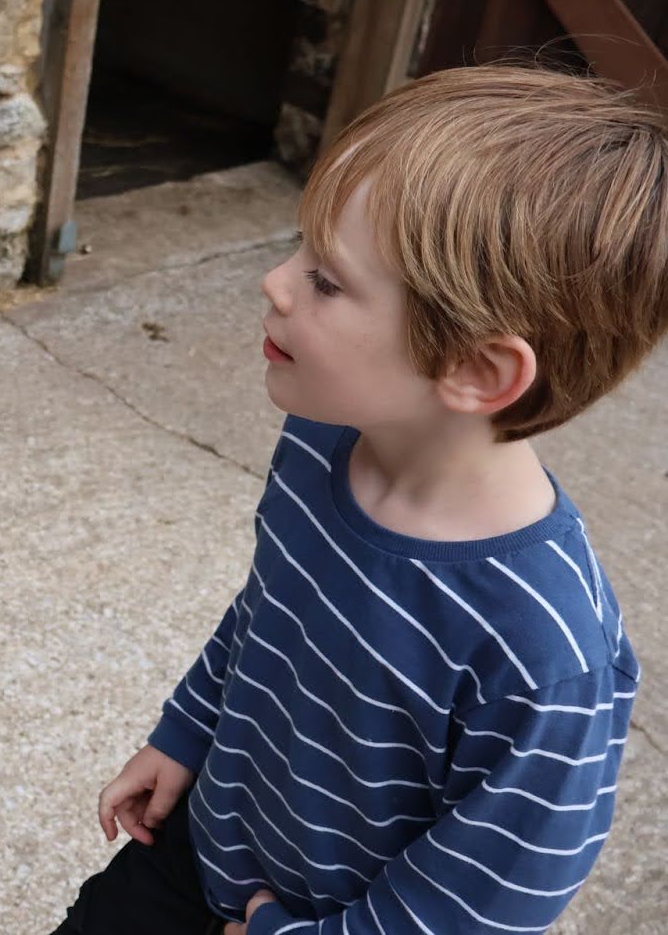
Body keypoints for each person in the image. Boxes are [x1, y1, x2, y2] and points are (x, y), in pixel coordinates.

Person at [50, 65, 663, 934]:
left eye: (327, 282)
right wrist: (185, 735)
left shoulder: (545, 651)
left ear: (477, 370)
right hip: (206, 850)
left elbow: (492, 898)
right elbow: (269, 616)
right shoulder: (323, 441)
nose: (275, 281)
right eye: (299, 248)